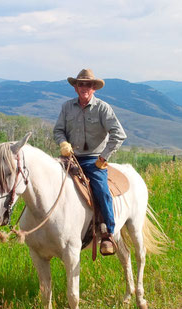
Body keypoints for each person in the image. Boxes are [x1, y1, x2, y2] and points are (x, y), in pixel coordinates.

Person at [54, 68, 127, 255]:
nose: (84, 87)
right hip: (69, 158)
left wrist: (104, 157)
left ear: (94, 88)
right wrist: (62, 142)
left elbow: (119, 134)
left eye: (88, 84)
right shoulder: (66, 107)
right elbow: (58, 130)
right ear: (76, 87)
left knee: (102, 190)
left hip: (94, 159)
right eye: (80, 84)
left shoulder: (103, 108)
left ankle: (108, 233)